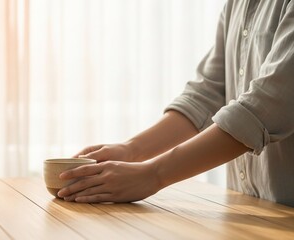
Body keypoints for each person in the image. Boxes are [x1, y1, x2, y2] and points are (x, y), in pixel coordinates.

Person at [57, 0, 294, 207]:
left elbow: (265, 108)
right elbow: (206, 95)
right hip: (249, 211)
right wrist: (130, 150)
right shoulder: (236, 4)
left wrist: (153, 174)